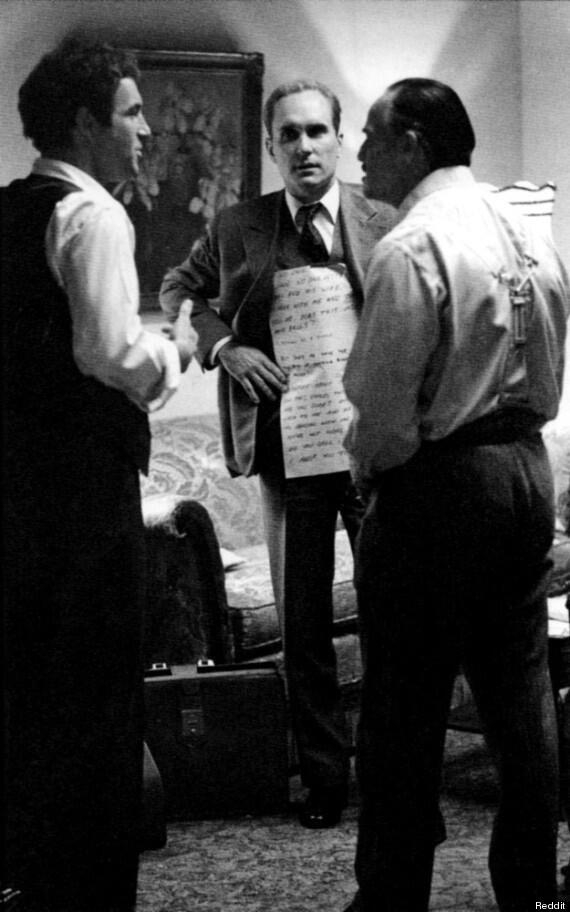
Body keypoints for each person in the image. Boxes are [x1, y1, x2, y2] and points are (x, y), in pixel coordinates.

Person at [342, 77, 569, 912]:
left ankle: (392, 896)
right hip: (525, 469)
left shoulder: (411, 245)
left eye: (371, 136)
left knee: (402, 704)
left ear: (413, 143)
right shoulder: (530, 233)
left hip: (441, 483)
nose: (360, 154)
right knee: (522, 696)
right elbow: (549, 370)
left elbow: (383, 407)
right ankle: (533, 893)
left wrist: (370, 471)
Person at [160, 78, 396, 828]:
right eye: (288, 135)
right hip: (289, 452)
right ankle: (325, 781)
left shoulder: (383, 216)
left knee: (395, 616)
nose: (304, 147)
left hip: (374, 451)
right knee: (305, 627)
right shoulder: (238, 226)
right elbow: (177, 290)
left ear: (339, 138)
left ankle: (393, 777)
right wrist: (225, 346)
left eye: (316, 131)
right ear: (270, 147)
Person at [1, 37, 195, 911]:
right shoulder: (93, 216)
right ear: (85, 122)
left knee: (33, 700)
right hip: (84, 495)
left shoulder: (12, 209)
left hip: (19, 494)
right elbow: (110, 353)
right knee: (98, 702)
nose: (146, 130)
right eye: (131, 111)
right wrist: (173, 350)